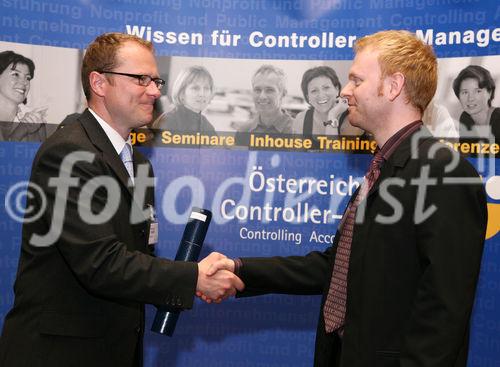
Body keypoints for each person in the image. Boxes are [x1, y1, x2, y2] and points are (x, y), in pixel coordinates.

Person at [203, 30, 487, 367]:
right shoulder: (382, 167)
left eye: (356, 80)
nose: (344, 91)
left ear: (393, 86)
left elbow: (444, 311)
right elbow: (337, 268)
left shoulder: (446, 173)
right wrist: (240, 269)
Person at [0, 33, 243, 367]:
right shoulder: (69, 152)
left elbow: (134, 256)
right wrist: (193, 277)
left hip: (115, 348)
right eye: (141, 78)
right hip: (61, 353)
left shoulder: (138, 163)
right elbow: (102, 263)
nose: (156, 90)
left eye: (156, 80)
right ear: (99, 83)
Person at [292, 66, 363, 136]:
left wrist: (332, 115)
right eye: (314, 91)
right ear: (308, 97)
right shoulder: (301, 119)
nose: (321, 95)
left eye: (326, 88)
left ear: (337, 89)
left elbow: (332, 148)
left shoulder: (351, 119)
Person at [0, 51, 47, 141]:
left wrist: (33, 132)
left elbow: (39, 154)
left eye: (28, 78)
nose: (24, 82)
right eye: (15, 74)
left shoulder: (36, 120)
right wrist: (20, 132)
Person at [155, 65, 216, 133]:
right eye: (195, 88)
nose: (202, 94)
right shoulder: (168, 122)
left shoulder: (207, 126)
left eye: (206, 88)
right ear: (182, 93)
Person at [234, 65, 293, 134]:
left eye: (269, 90)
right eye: (257, 90)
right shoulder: (243, 131)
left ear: (283, 94)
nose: (262, 96)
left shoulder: (299, 130)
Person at [452, 64, 500, 141]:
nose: (470, 98)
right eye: (465, 92)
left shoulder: (497, 118)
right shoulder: (466, 118)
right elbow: (465, 150)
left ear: (489, 93)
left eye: (478, 91)